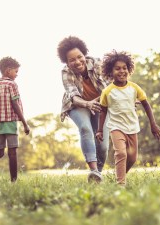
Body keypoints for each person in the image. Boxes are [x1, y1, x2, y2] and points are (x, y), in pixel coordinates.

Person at [96, 50, 160, 186]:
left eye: (124, 68)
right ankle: (120, 185)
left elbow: (146, 105)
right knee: (121, 154)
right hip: (116, 127)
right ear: (110, 71)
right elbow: (103, 110)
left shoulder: (134, 88)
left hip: (132, 127)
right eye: (117, 69)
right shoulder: (107, 91)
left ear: (129, 69)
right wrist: (100, 130)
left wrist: (153, 124)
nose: (122, 71)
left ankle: (119, 176)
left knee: (132, 158)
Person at [57, 36, 110, 182]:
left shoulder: (98, 64)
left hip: (100, 104)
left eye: (79, 57)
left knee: (103, 144)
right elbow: (73, 96)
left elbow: (109, 87)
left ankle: (97, 175)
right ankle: (93, 170)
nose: (77, 62)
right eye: (72, 60)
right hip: (77, 105)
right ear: (67, 62)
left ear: (84, 54)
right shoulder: (66, 72)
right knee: (86, 129)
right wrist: (87, 104)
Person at [0, 57, 30, 183]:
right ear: (8, 71)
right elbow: (15, 104)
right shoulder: (12, 84)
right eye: (16, 71)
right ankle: (14, 182)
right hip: (9, 121)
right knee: (12, 152)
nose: (17, 74)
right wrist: (25, 123)